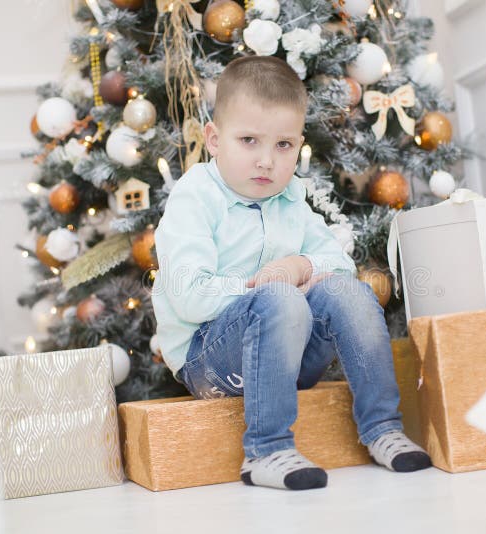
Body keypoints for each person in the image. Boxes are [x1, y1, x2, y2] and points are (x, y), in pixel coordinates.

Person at [152, 56, 431, 491]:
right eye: (249, 140)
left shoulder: (290, 200)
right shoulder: (195, 197)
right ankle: (266, 451)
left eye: (283, 145)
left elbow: (338, 265)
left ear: (298, 144)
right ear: (213, 138)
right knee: (280, 298)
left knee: (349, 292)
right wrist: (267, 289)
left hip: (288, 356)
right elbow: (189, 297)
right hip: (210, 360)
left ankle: (381, 429)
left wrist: (301, 266)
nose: (267, 161)